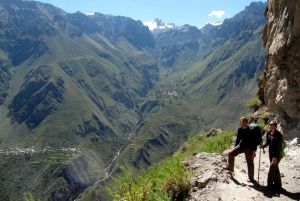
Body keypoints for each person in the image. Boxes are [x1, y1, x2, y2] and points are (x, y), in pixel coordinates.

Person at [225, 117, 262, 182]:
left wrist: (254, 150)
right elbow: (238, 139)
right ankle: (231, 169)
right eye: (243, 121)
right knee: (230, 153)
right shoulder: (240, 129)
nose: (244, 122)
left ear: (247, 122)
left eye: (245, 121)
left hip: (249, 147)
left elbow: (254, 142)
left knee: (249, 162)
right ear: (241, 122)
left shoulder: (251, 130)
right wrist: (235, 147)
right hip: (241, 146)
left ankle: (251, 178)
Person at [260, 120, 283, 190]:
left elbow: (279, 147)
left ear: (276, 126)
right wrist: (263, 146)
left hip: (277, 154)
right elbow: (268, 142)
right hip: (271, 153)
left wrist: (276, 157)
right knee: (275, 168)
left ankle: (269, 185)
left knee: (272, 168)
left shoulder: (279, 135)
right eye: (270, 124)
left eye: (273, 125)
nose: (271, 126)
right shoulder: (268, 133)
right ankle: (278, 185)